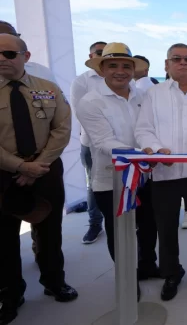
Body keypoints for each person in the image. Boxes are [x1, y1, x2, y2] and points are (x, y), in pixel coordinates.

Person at [0, 34, 78, 325]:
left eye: (8, 54)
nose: (1, 59)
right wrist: (20, 166)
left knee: (49, 232)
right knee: (4, 238)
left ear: (25, 56)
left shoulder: (48, 90)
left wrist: (38, 165)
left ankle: (54, 281)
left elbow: (62, 128)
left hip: (45, 171)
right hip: (4, 173)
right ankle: (10, 293)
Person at [75, 43, 160, 301]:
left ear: (134, 70)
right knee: (119, 232)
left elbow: (151, 128)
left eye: (126, 66)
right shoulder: (90, 102)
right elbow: (103, 142)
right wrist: (146, 154)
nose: (120, 71)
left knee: (148, 226)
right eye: (113, 65)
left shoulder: (142, 95)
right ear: (102, 69)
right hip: (111, 180)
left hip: (145, 175)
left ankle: (147, 265)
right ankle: (127, 276)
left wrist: (153, 149)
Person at [135, 43, 187, 301]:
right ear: (166, 65)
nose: (182, 63)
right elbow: (143, 130)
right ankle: (171, 273)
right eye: (176, 59)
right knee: (166, 228)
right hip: (164, 174)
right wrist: (157, 150)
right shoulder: (153, 94)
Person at [70, 41, 107, 245]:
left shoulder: (122, 79)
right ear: (91, 56)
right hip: (91, 143)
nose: (104, 56)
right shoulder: (81, 81)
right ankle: (95, 223)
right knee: (94, 184)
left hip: (123, 144)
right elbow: (80, 114)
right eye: (100, 53)